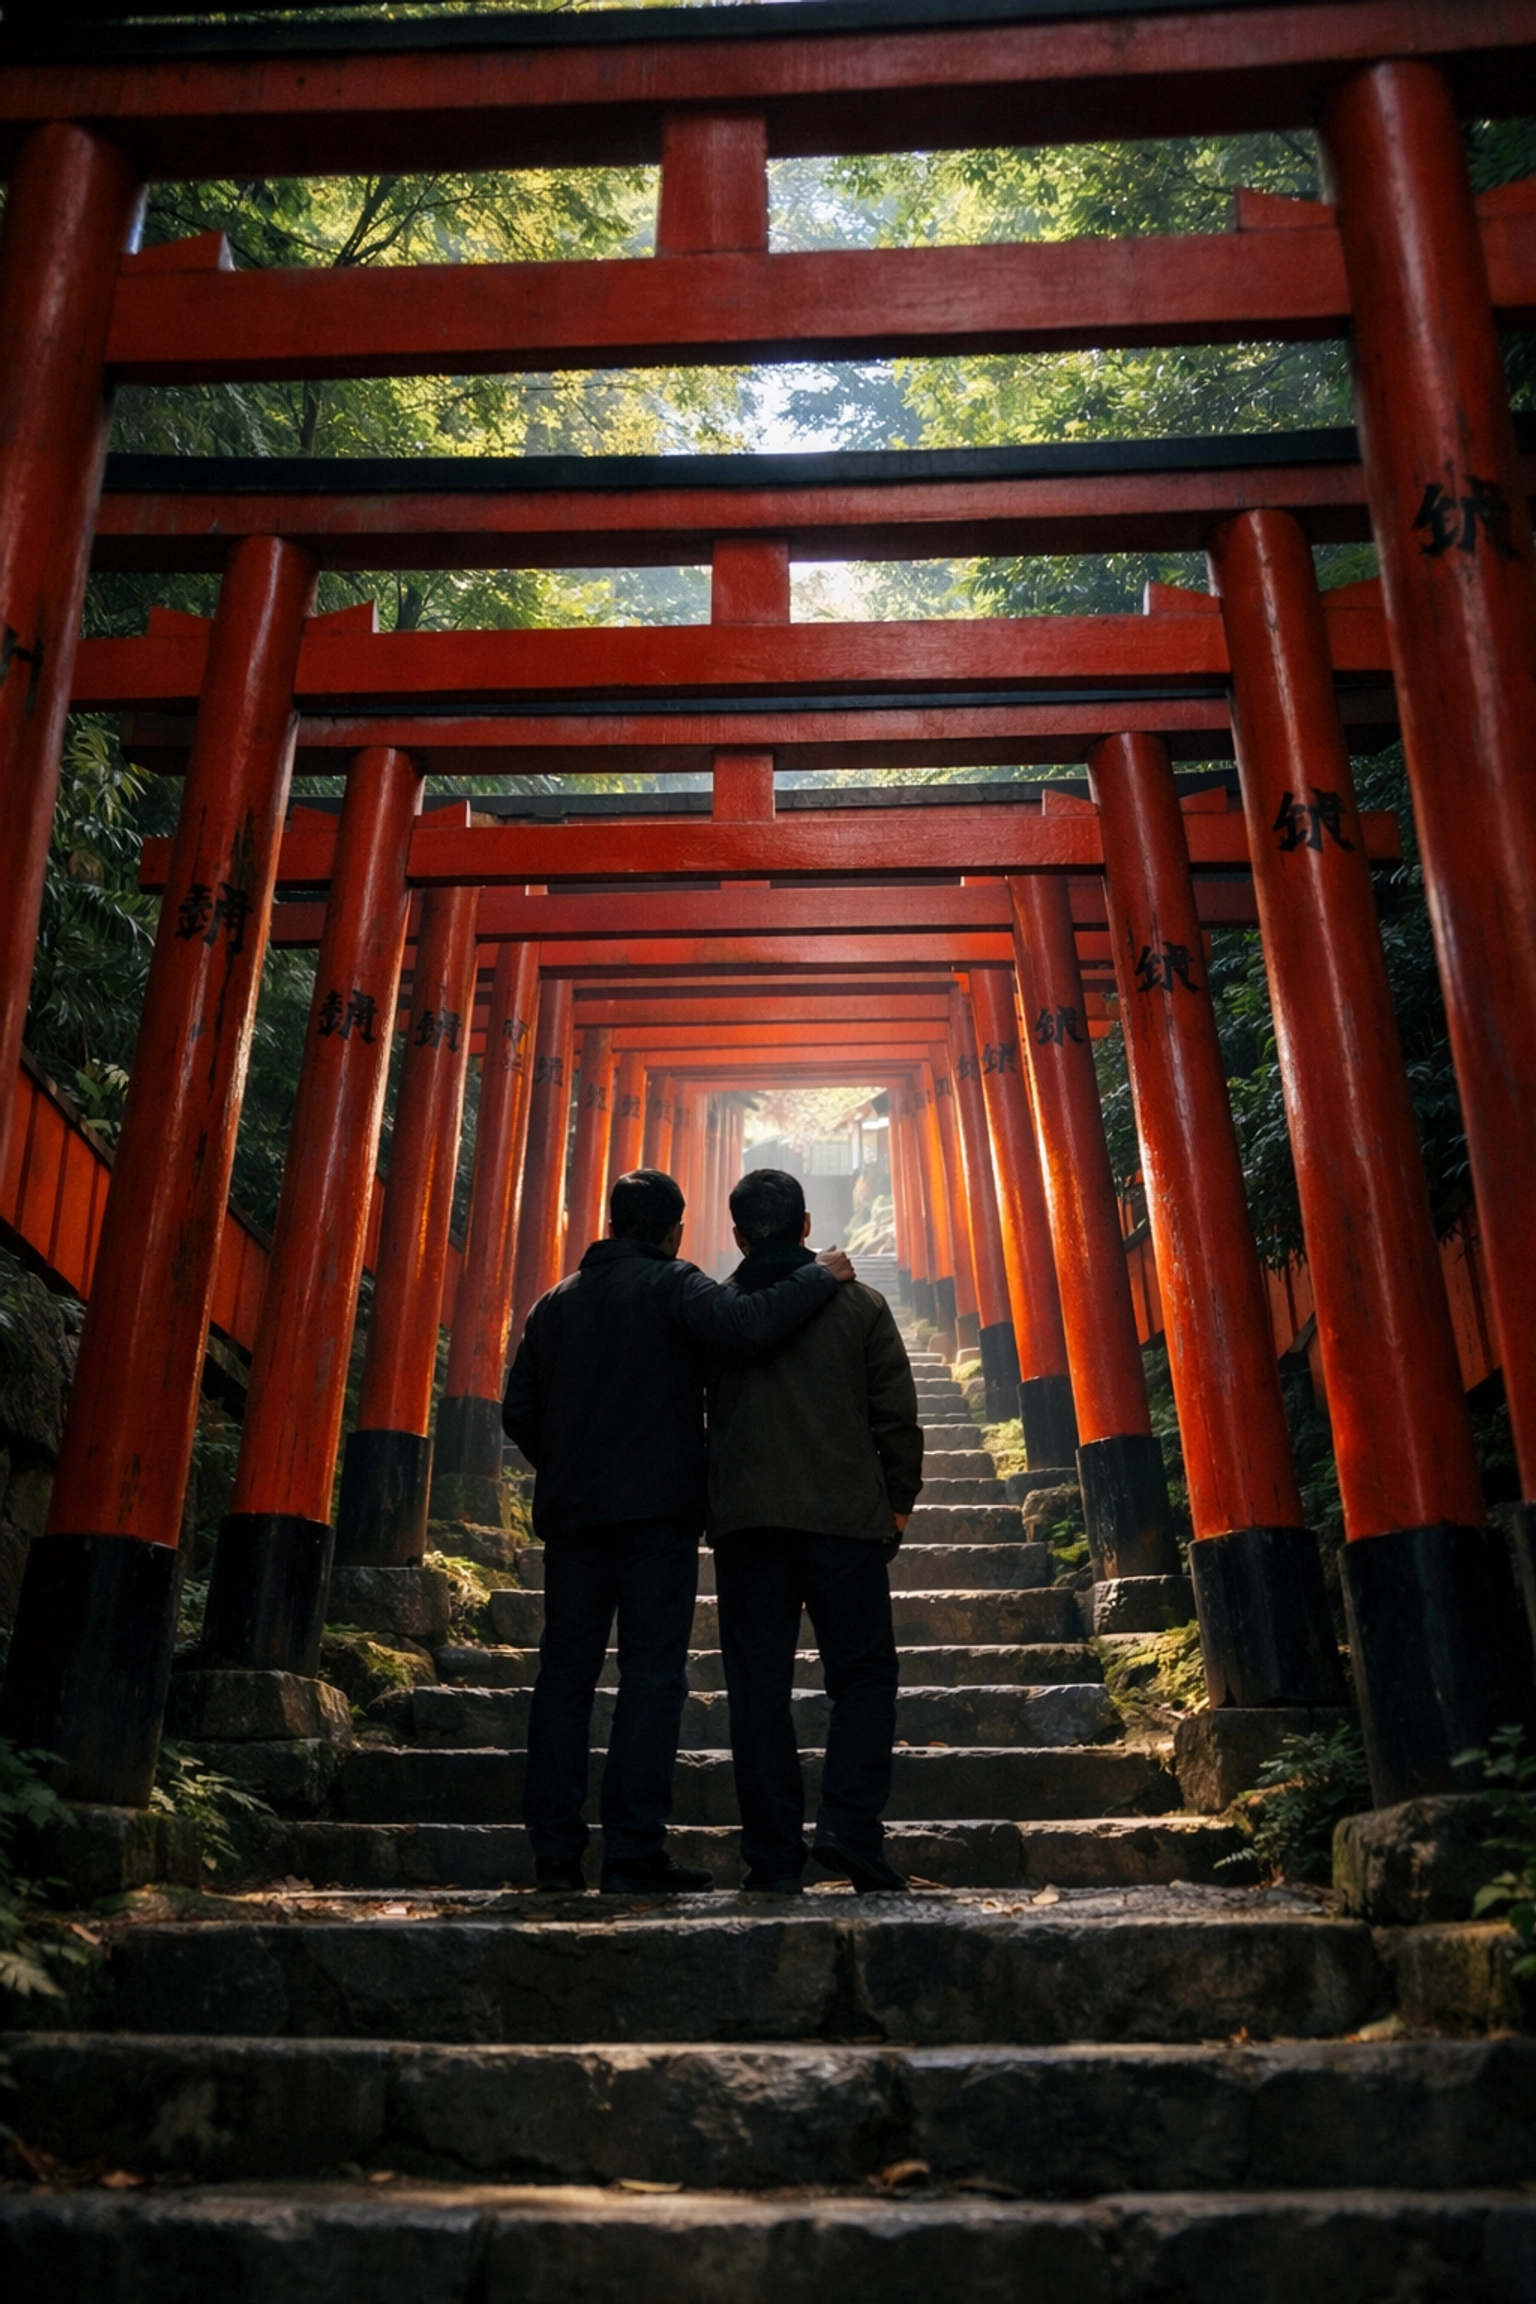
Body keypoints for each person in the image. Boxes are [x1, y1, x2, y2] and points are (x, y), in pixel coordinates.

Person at [502, 1166, 854, 1896]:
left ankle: (556, 1854)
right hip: (657, 1515)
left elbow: (519, 1411)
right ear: (673, 1231)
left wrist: (566, 1465)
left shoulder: (554, 1303)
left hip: (573, 1519)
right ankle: (633, 1852)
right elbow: (748, 1326)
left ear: (610, 1221)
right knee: (651, 1675)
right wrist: (819, 1277)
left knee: (564, 1676)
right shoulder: (674, 1285)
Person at [708, 1167, 923, 1895]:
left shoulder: (717, 1313)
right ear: (806, 1227)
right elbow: (895, 1412)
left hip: (749, 1526)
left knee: (758, 1689)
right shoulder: (859, 1304)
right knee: (862, 1678)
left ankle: (772, 1856)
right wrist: (897, 1501)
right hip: (844, 1523)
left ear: (738, 1234)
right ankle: (850, 1829)